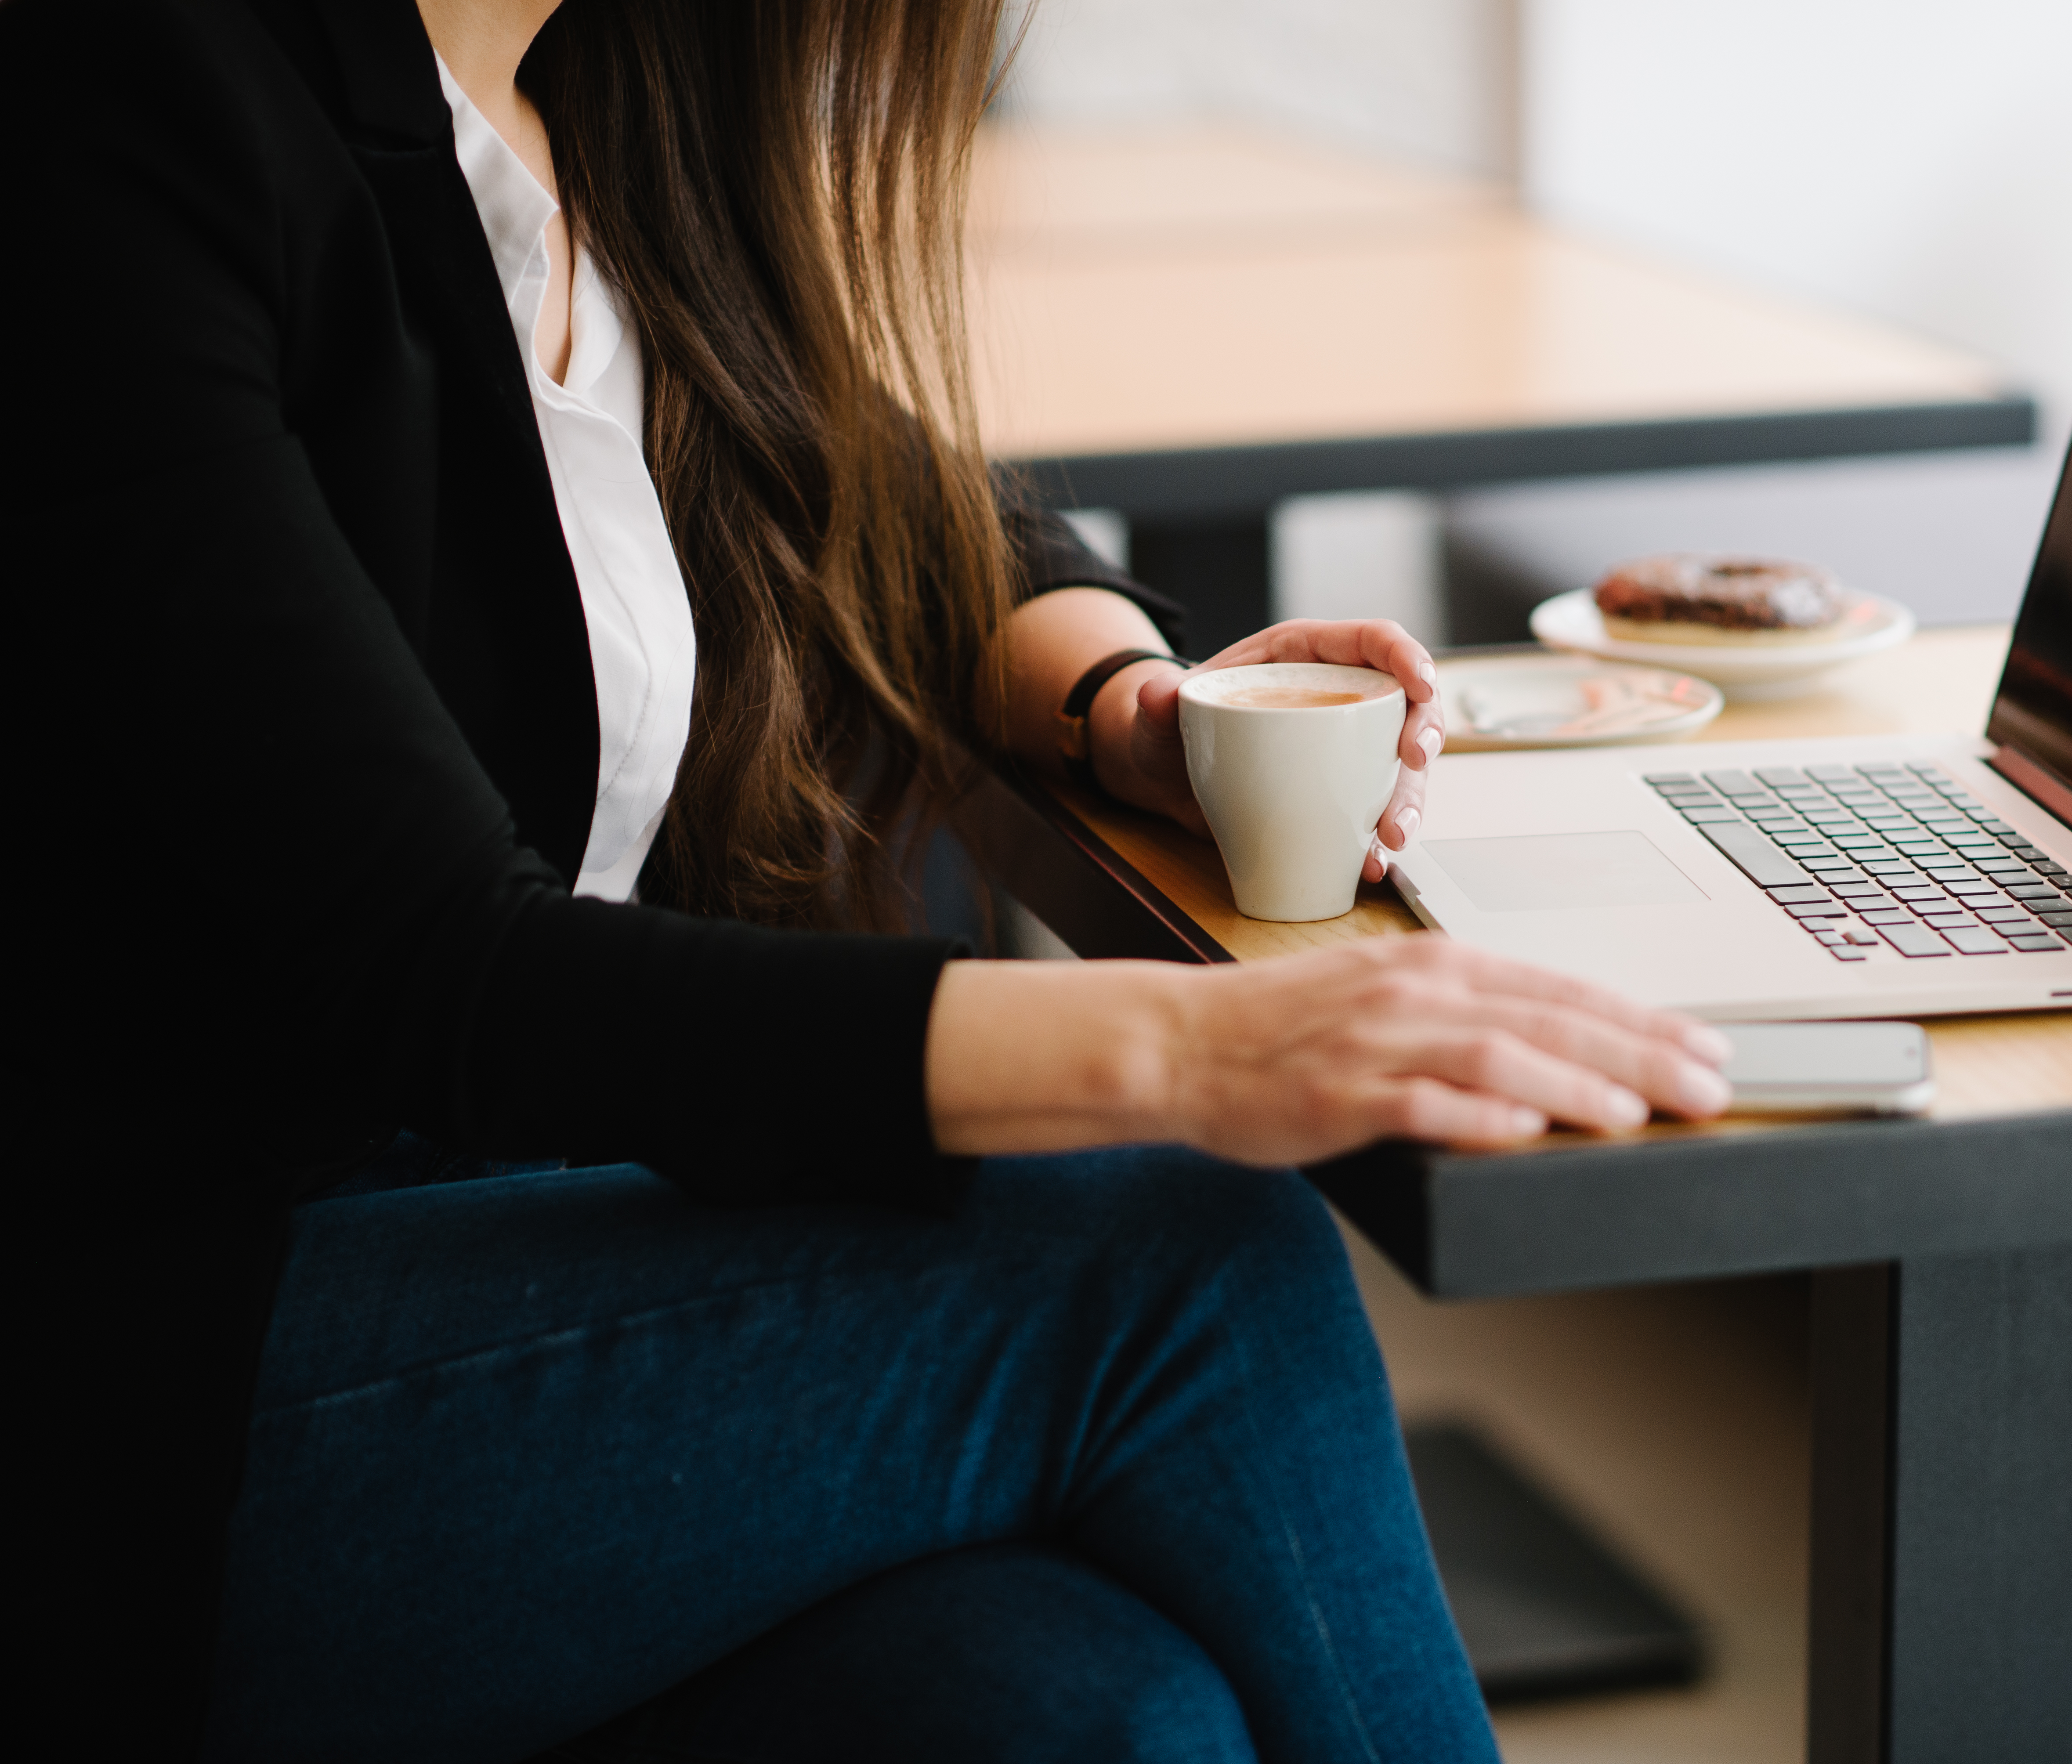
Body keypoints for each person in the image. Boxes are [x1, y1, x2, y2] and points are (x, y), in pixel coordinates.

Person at [1, 0, 1734, 1757]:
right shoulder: (123, 100)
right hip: (162, 1389)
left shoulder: (591, 103)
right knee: (1189, 1256)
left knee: (1111, 1712)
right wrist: (1194, 1054)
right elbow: (438, 967)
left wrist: (1130, 704)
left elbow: (907, 517)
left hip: (497, 1229)